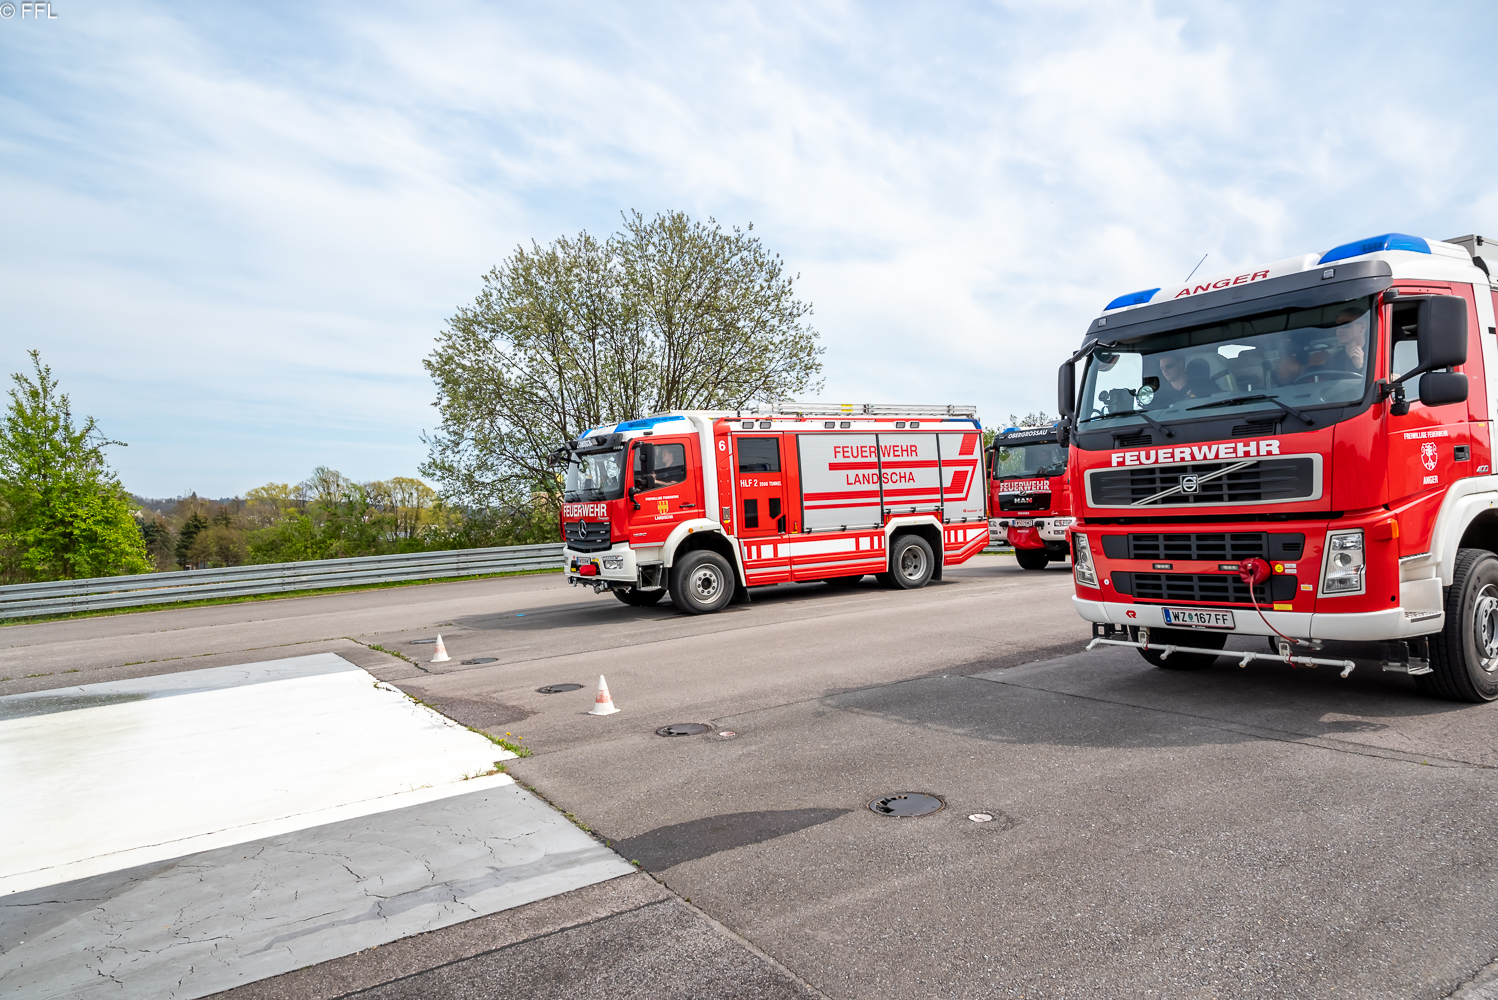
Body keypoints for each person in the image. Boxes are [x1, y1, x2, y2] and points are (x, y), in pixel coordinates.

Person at [1309, 307, 1370, 375]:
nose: (1339, 329)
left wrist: (1361, 367)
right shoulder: (1333, 361)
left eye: (1345, 324)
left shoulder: (1376, 354)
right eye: (1336, 326)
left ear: (1363, 327)